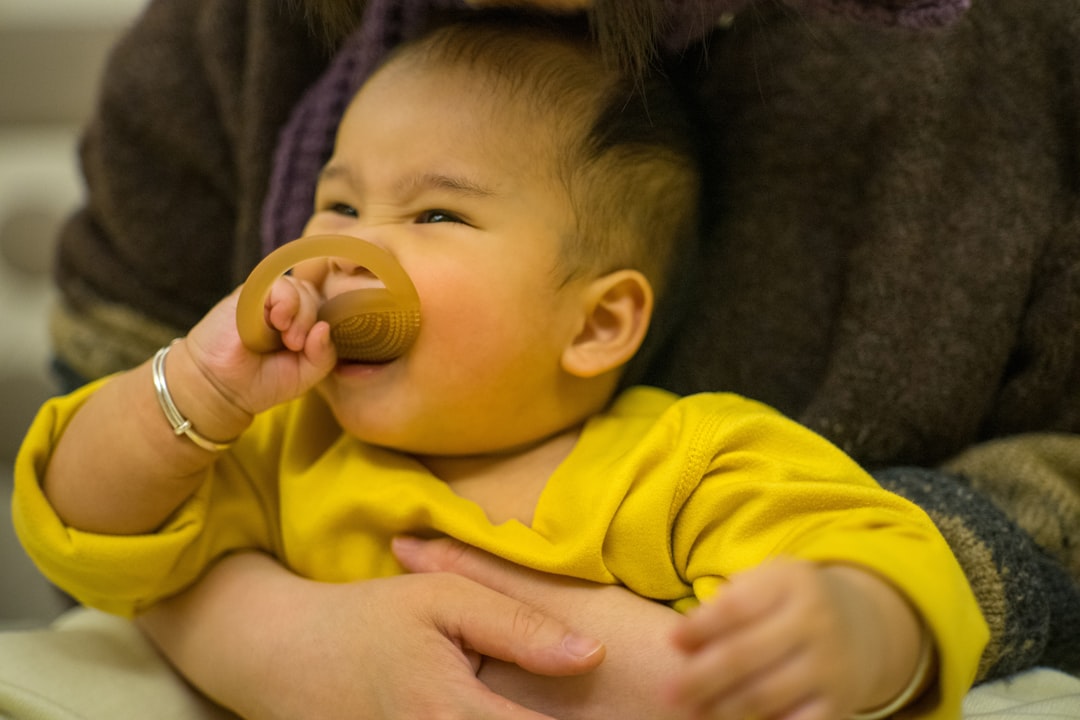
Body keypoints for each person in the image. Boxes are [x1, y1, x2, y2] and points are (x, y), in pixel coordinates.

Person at [21, 0, 1080, 718]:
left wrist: (861, 624)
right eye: (337, 202)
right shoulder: (281, 451)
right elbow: (87, 523)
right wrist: (198, 388)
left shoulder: (681, 463)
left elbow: (880, 550)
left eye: (437, 214)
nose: (351, 250)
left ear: (598, 323)